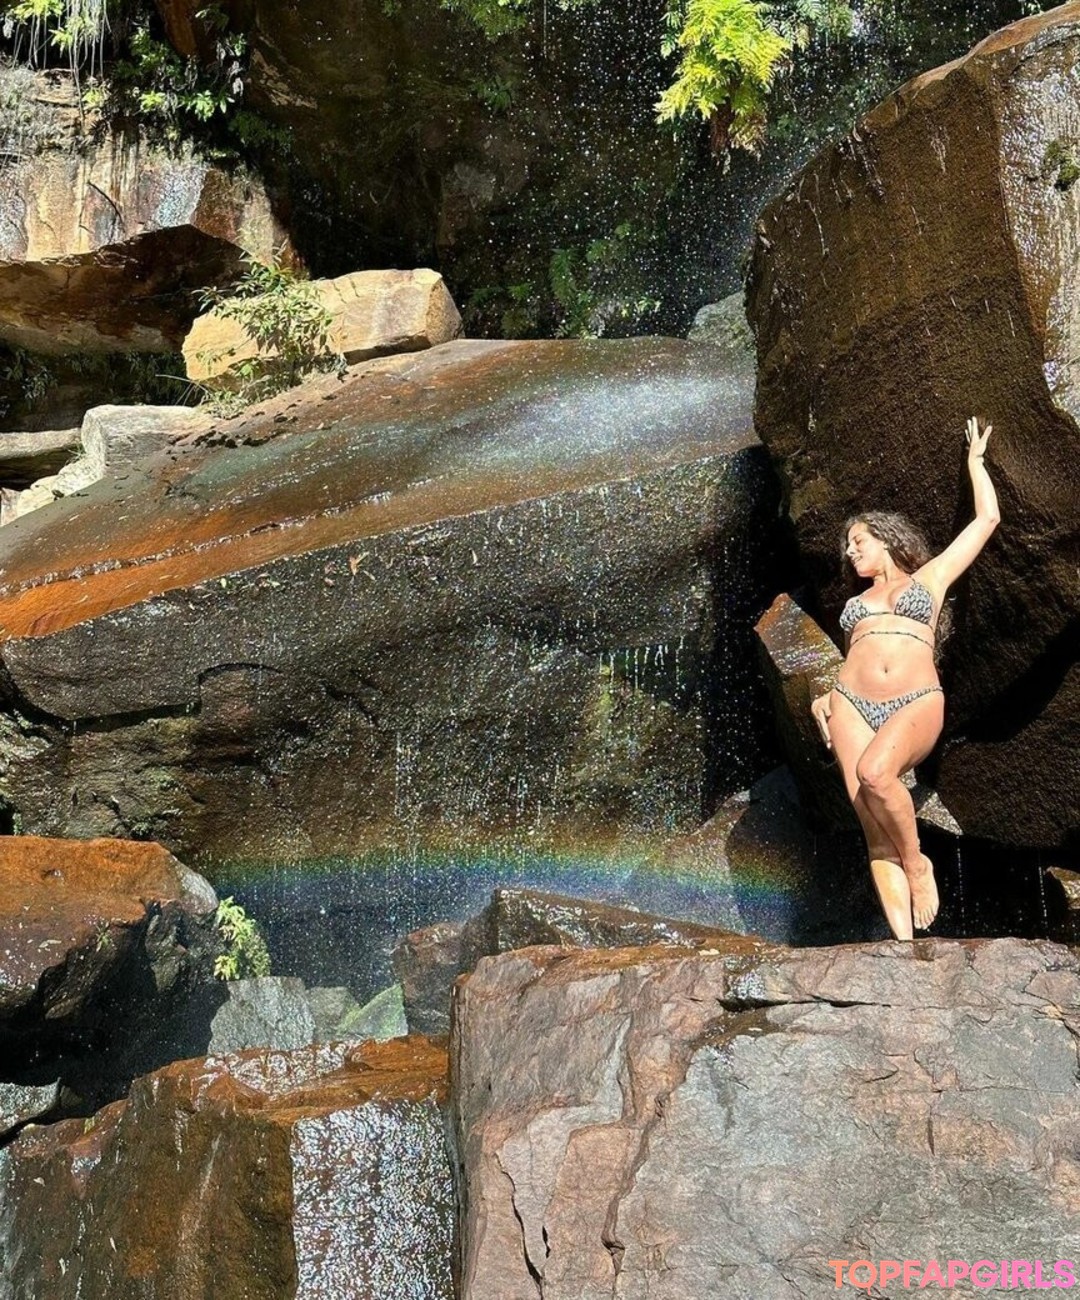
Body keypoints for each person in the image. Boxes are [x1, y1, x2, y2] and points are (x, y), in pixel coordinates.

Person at [810, 416, 999, 940]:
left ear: (885, 539)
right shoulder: (856, 603)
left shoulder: (929, 579)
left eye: (858, 540)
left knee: (876, 775)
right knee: (873, 832)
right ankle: (904, 948)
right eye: (847, 547)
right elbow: (856, 656)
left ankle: (917, 863)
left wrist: (975, 463)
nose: (851, 551)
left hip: (915, 699)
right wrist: (824, 697)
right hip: (850, 703)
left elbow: (986, 519)